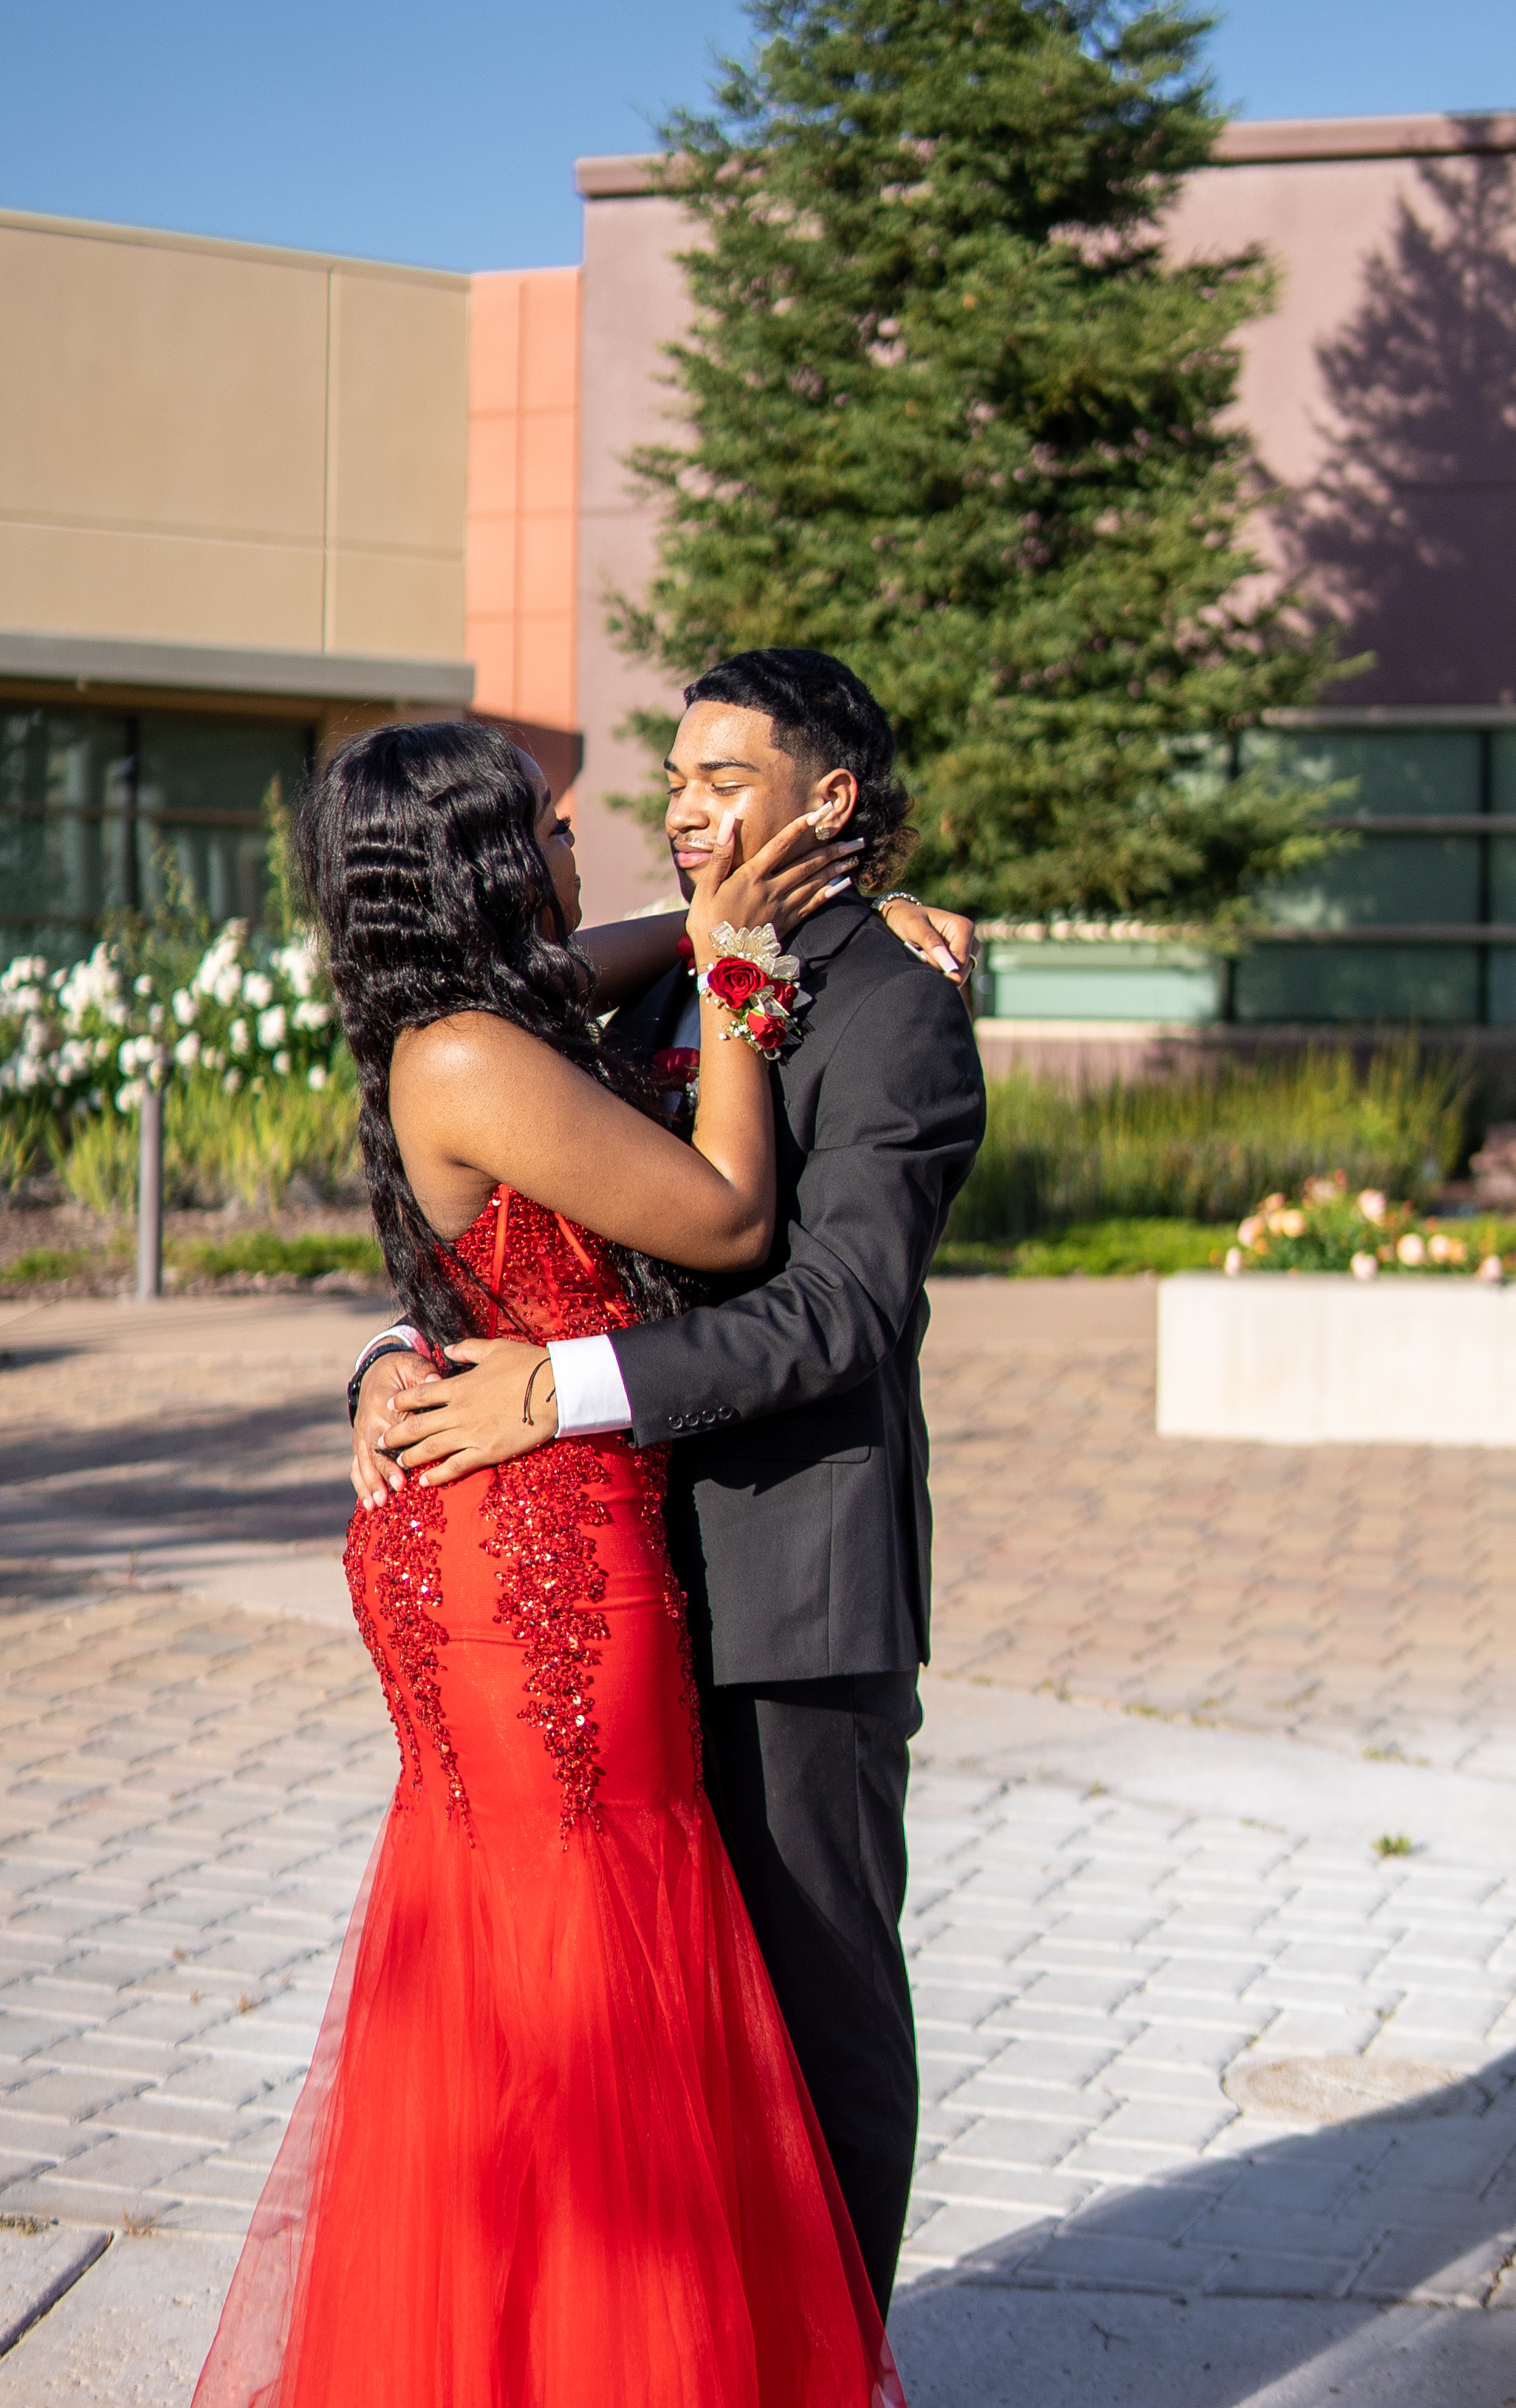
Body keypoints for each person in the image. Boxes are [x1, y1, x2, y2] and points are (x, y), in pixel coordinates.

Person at [193, 714, 917, 2407]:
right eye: (553, 824)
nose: (590, 841)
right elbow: (734, 1215)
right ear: (479, 863)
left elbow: (612, 949)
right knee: (585, 1982)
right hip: (536, 1568)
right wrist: (742, 975)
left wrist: (782, 907)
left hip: (513, 1521)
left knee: (542, 1971)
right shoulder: (476, 1056)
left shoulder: (478, 1017)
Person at [349, 651, 986, 2317]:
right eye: (676, 780)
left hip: (790, 1581)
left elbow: (841, 1304)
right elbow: (513, 1205)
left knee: (817, 2013)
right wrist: (389, 1352)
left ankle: (836, 2351)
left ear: (829, 800)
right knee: (656, 2030)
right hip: (596, 1584)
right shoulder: (655, 989)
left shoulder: (896, 1003)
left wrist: (570, 1390)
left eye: (725, 777)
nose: (683, 809)